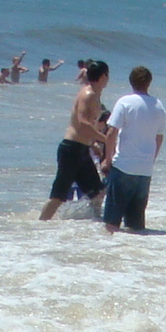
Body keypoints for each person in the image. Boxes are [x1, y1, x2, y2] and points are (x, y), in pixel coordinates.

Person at [100, 66, 166, 234]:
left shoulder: (125, 102)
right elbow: (159, 137)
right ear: (149, 82)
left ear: (131, 82)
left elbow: (111, 133)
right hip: (145, 170)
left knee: (111, 223)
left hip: (123, 166)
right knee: (136, 225)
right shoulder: (159, 106)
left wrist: (107, 160)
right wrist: (150, 159)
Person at [40, 60, 111, 219]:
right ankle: (40, 225)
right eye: (107, 76)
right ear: (103, 77)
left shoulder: (95, 95)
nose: (108, 79)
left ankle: (95, 223)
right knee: (58, 197)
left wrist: (92, 143)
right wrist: (106, 139)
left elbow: (87, 125)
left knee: (98, 193)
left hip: (82, 149)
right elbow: (83, 123)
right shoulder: (88, 94)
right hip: (71, 149)